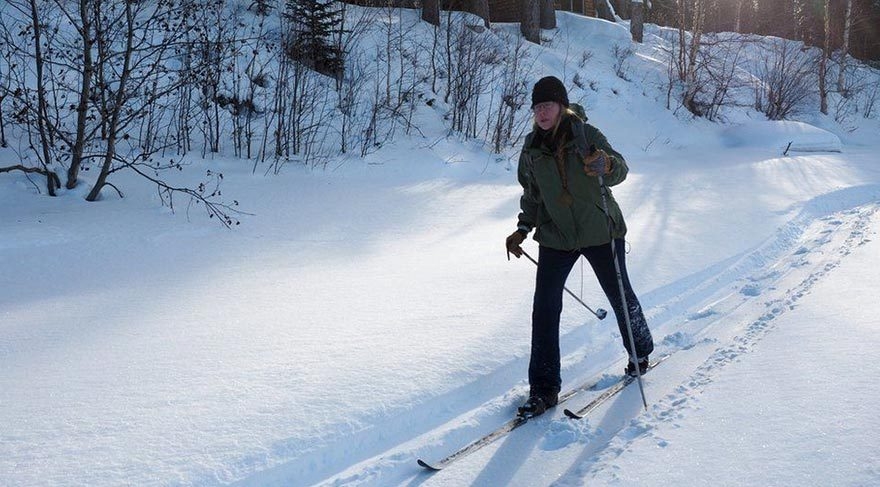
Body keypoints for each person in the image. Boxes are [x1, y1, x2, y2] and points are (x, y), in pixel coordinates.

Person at [506, 76, 654, 417]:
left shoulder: (586, 136)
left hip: (601, 229)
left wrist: (605, 164)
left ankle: (639, 351)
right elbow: (532, 196)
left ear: (561, 106)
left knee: (620, 294)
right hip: (557, 236)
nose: (542, 112)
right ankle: (543, 389)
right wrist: (522, 228)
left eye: (548, 105)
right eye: (537, 107)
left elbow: (620, 170)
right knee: (544, 308)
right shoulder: (531, 150)